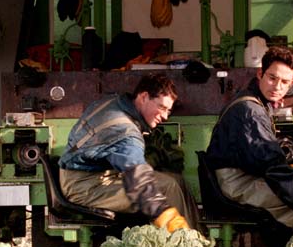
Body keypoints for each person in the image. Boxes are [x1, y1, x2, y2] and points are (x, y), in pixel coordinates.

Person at [206, 46, 293, 228]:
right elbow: (272, 167)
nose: (277, 87)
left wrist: (286, 169)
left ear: (292, 83)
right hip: (238, 187)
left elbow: (261, 159)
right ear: (260, 73)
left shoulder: (255, 101)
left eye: (284, 82)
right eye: (272, 78)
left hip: (246, 176)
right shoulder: (251, 111)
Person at [59, 73, 199, 232]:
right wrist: (164, 214)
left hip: (93, 174)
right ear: (144, 97)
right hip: (84, 186)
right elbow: (139, 181)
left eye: (168, 110)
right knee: (167, 188)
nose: (165, 116)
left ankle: (196, 235)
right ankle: (182, 244)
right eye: (161, 107)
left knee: (176, 181)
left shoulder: (114, 102)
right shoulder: (125, 131)